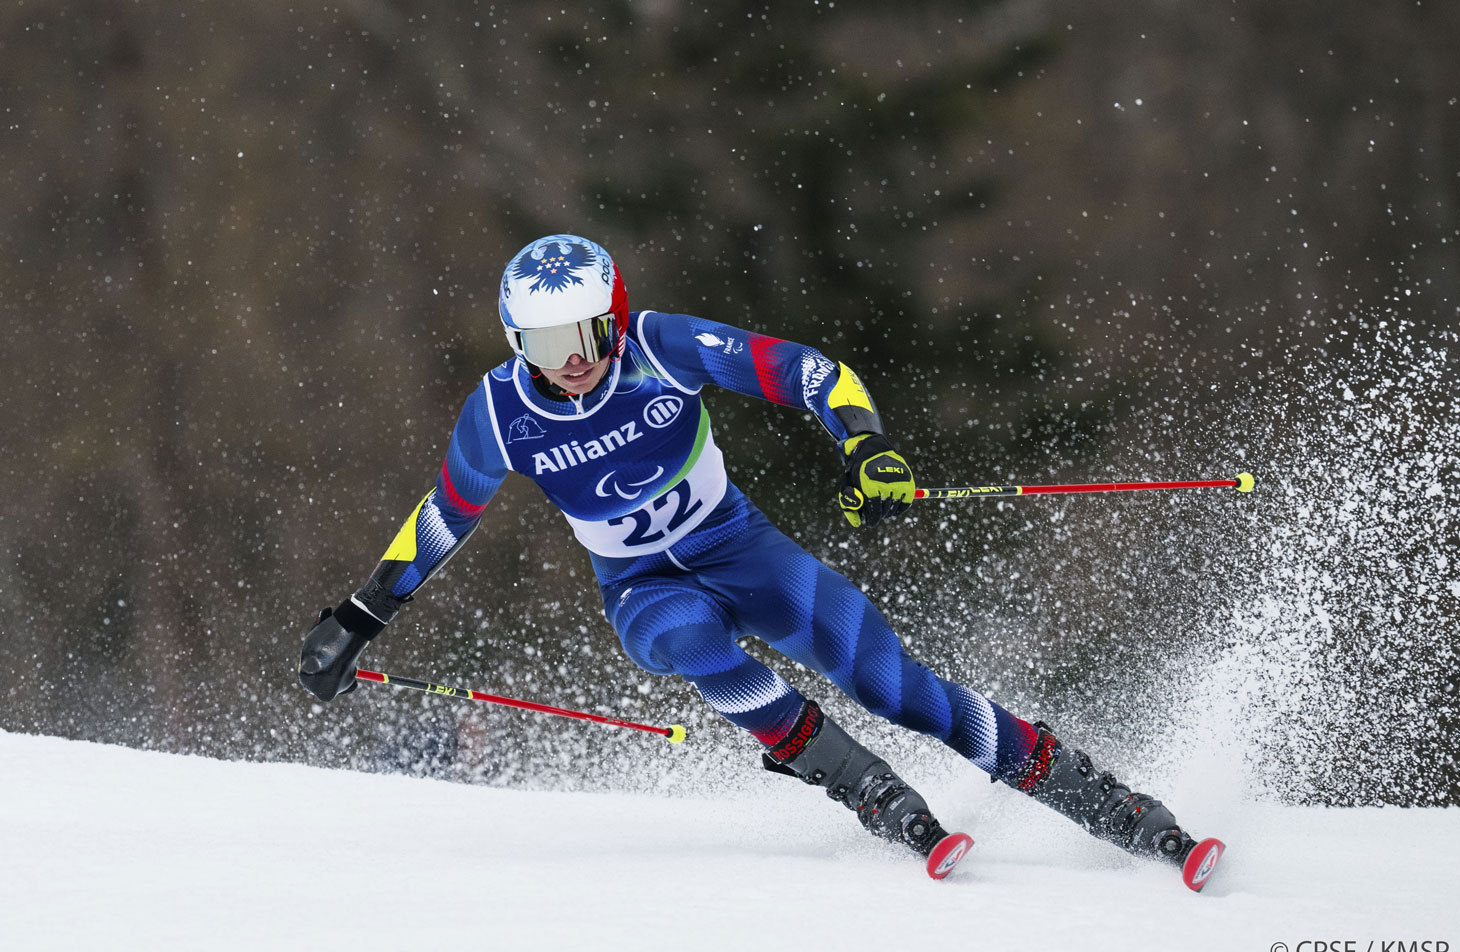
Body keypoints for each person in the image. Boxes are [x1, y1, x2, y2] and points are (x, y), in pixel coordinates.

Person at [300, 233, 1204, 878]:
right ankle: (860, 783)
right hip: (642, 587)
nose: (568, 362)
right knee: (692, 639)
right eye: (542, 344)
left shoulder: (662, 347)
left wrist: (865, 443)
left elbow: (810, 370)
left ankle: (1102, 799)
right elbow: (445, 513)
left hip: (741, 547)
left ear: (611, 319)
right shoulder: (500, 411)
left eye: (581, 337)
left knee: (896, 685)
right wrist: (360, 615)